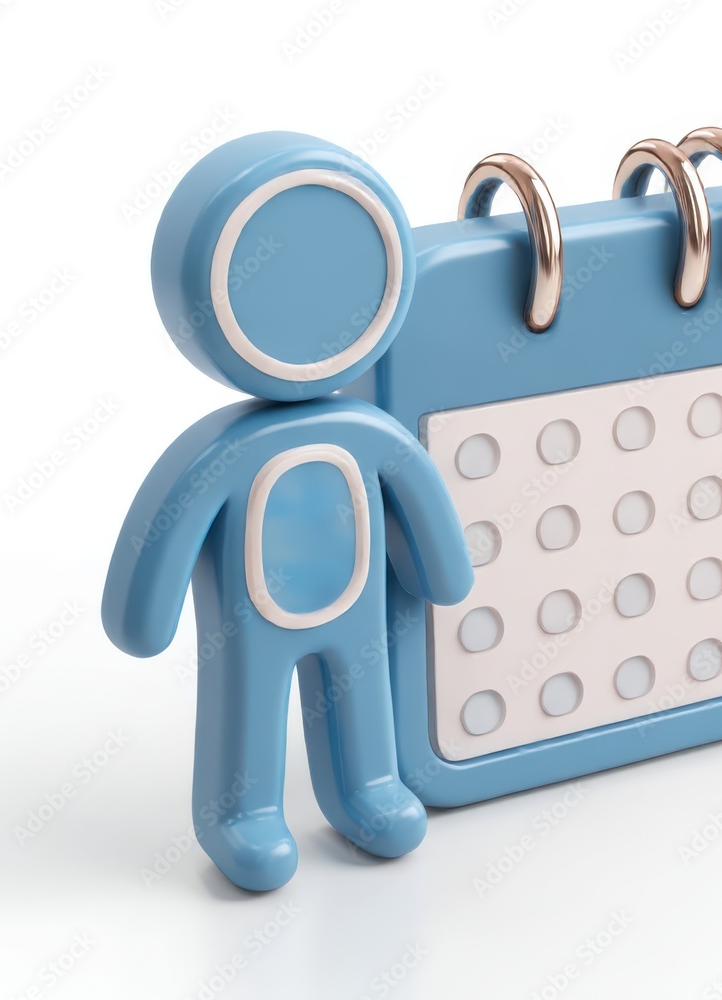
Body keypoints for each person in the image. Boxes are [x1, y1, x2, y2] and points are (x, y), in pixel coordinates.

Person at [102, 132, 473, 891]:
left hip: (356, 607)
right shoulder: (228, 451)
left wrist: (441, 569)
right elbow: (171, 522)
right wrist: (145, 616)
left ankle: (369, 789)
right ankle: (241, 814)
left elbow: (416, 490)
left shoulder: (367, 433)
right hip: (252, 620)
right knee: (249, 705)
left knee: (361, 697)